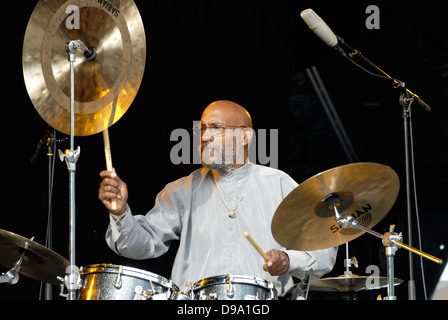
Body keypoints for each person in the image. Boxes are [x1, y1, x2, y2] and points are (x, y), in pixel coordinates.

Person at [98, 100, 337, 298]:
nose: (205, 137)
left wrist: (287, 259)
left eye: (217, 128)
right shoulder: (183, 189)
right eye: (202, 128)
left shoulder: (278, 184)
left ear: (245, 136)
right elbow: (144, 244)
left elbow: (323, 252)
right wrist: (120, 214)